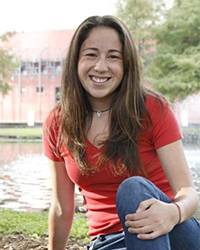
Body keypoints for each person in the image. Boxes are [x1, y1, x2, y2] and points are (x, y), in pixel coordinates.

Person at [43, 15, 200, 250]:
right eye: (91, 54)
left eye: (113, 57)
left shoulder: (152, 109)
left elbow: (188, 193)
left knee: (134, 188)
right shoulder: (58, 122)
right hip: (109, 243)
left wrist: (173, 212)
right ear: (76, 61)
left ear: (126, 65)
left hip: (172, 232)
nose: (101, 66)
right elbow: (62, 209)